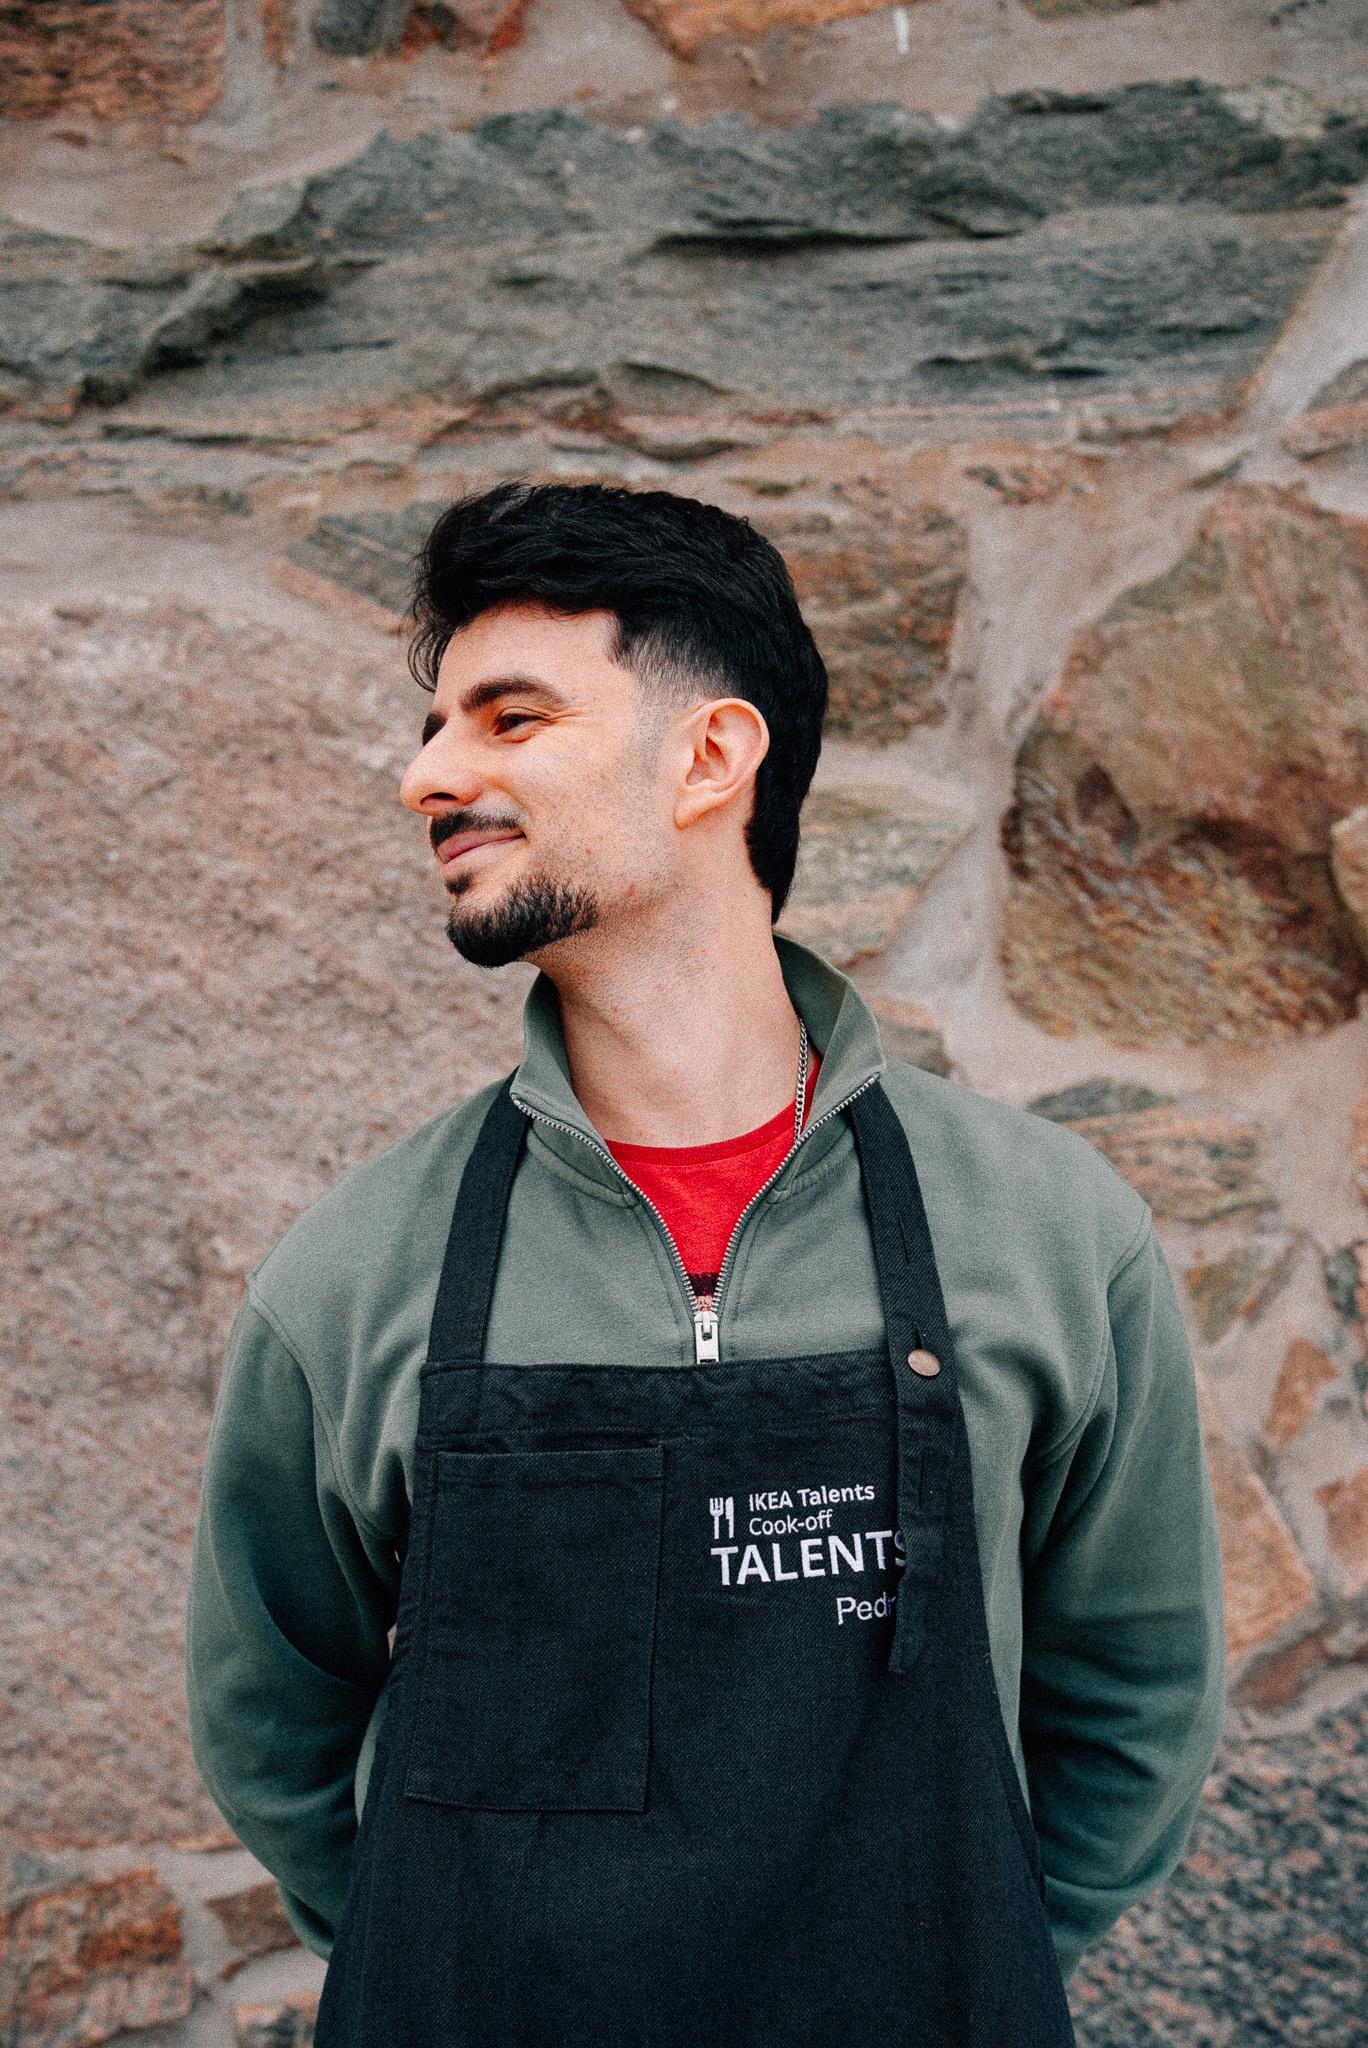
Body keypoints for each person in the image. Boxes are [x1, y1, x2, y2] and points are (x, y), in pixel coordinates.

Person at [185, 479, 1226, 2046]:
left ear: (711, 757)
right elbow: (269, 1718)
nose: (427, 776)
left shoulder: (1050, 1234)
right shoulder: (353, 1275)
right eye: (435, 727)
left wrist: (973, 1965)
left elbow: (1137, 1697)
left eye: (510, 717)